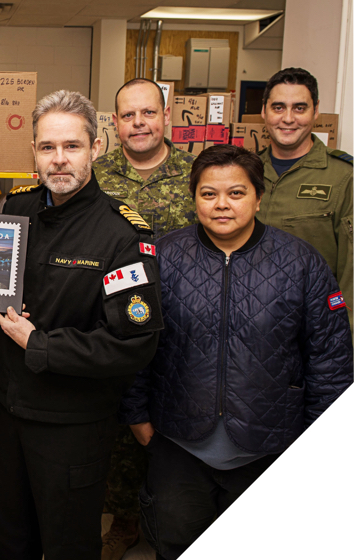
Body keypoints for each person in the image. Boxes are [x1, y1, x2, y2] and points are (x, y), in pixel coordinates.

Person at [0, 90, 164, 560]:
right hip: (8, 414)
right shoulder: (16, 212)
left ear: (95, 148)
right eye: (48, 148)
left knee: (67, 546)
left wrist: (41, 344)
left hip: (74, 426)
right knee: (4, 542)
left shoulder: (123, 234)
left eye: (72, 146)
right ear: (34, 153)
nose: (60, 159)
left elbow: (135, 344)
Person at [120, 145, 353, 560]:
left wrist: (316, 446)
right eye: (208, 194)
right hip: (179, 442)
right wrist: (136, 415)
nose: (222, 204)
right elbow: (136, 342)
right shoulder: (160, 258)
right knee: (175, 545)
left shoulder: (302, 263)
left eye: (236, 193)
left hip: (270, 446)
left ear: (258, 197)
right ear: (194, 199)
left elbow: (330, 362)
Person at [92, 77, 196, 560]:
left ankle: (182, 516)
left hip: (186, 319)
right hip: (117, 318)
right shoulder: (98, 174)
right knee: (121, 423)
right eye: (128, 115)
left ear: (165, 116)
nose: (139, 123)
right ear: (114, 123)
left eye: (148, 113)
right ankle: (124, 518)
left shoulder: (196, 173)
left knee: (181, 416)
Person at [256, 67, 353, 335]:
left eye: (299, 108)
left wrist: (346, 344)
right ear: (264, 111)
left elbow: (351, 274)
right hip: (251, 330)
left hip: (314, 330)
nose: (288, 119)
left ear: (315, 111)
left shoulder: (343, 177)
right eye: (278, 107)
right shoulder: (246, 172)